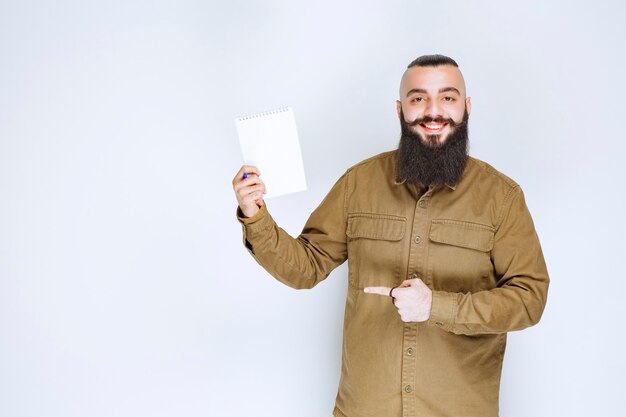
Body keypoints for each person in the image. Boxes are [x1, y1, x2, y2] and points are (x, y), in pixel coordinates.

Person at [232, 54, 549, 417]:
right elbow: (305, 267)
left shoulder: (501, 198)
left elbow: (530, 298)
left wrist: (436, 307)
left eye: (448, 98)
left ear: (467, 107)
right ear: (400, 110)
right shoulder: (359, 184)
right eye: (418, 99)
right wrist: (254, 214)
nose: (433, 111)